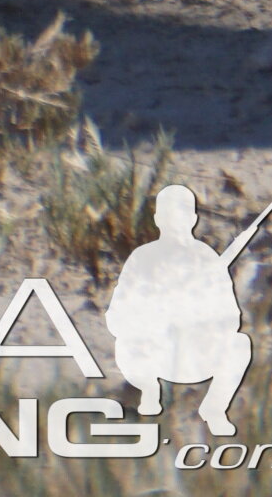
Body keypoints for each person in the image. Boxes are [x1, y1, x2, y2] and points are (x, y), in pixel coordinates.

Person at [109, 184, 254, 439]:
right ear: (157, 219)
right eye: (168, 216)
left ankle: (214, 409)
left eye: (183, 215)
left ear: (194, 218)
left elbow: (231, 318)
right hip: (153, 354)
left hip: (195, 354)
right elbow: (116, 317)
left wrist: (201, 312)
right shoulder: (142, 258)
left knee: (240, 344)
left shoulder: (207, 258)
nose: (176, 223)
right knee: (126, 345)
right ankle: (149, 393)